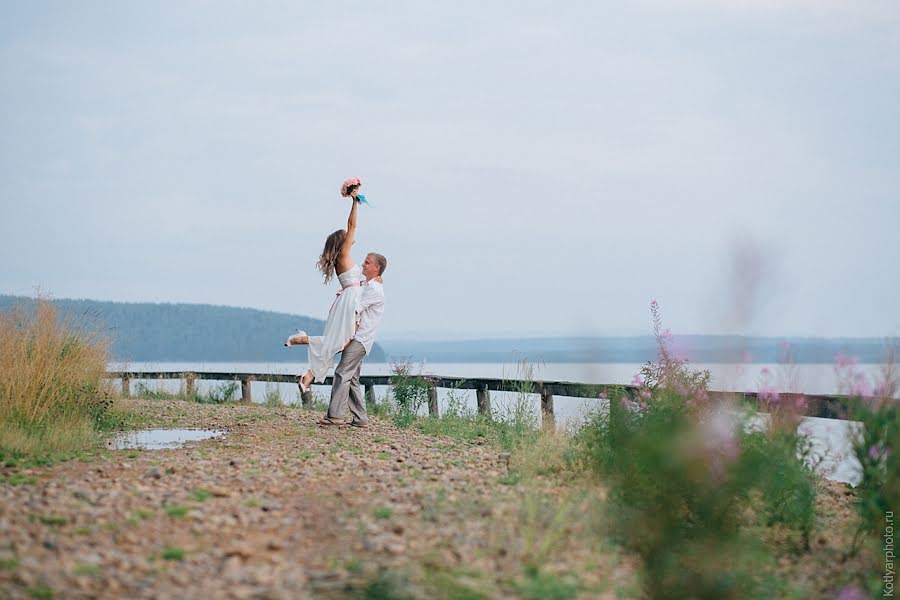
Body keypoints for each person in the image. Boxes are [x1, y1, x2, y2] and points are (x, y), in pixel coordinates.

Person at [284, 187, 364, 392]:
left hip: (349, 298)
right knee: (340, 342)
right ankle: (300, 341)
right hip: (350, 300)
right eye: (346, 237)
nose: (350, 236)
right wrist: (354, 202)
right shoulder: (344, 256)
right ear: (342, 243)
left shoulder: (342, 258)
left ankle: (308, 376)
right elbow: (352, 225)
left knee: (338, 343)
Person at [317, 252, 386, 427]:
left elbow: (356, 309)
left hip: (360, 338)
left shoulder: (375, 289)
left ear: (376, 268)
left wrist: (345, 336)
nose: (363, 264)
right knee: (352, 377)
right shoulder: (370, 286)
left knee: (342, 373)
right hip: (358, 337)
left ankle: (335, 416)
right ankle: (360, 418)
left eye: (367, 262)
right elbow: (357, 290)